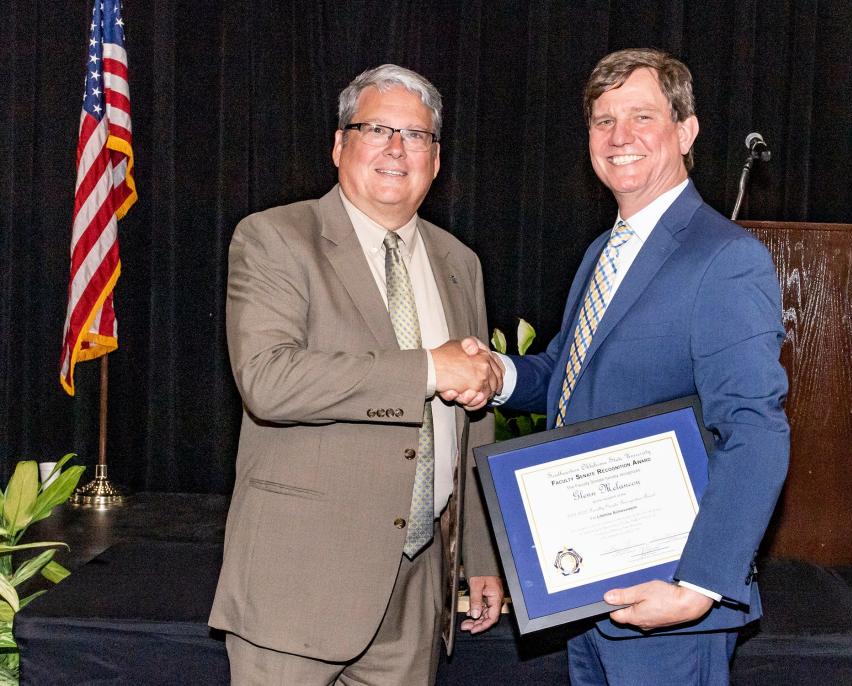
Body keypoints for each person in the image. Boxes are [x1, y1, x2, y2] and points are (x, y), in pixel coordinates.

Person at [478, 48, 790, 685]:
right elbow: (568, 371)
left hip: (667, 597)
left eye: (642, 116)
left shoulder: (725, 258)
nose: (619, 138)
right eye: (602, 121)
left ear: (686, 130)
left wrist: (698, 586)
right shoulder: (604, 250)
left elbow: (755, 430)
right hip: (589, 589)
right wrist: (497, 375)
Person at [209, 64, 504, 685]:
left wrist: (480, 554)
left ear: (436, 159)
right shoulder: (275, 238)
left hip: (417, 588)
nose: (397, 148)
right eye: (377, 129)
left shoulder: (459, 263)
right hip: (297, 586)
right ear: (340, 145)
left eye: (416, 135)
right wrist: (427, 368)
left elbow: (475, 421)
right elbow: (268, 379)